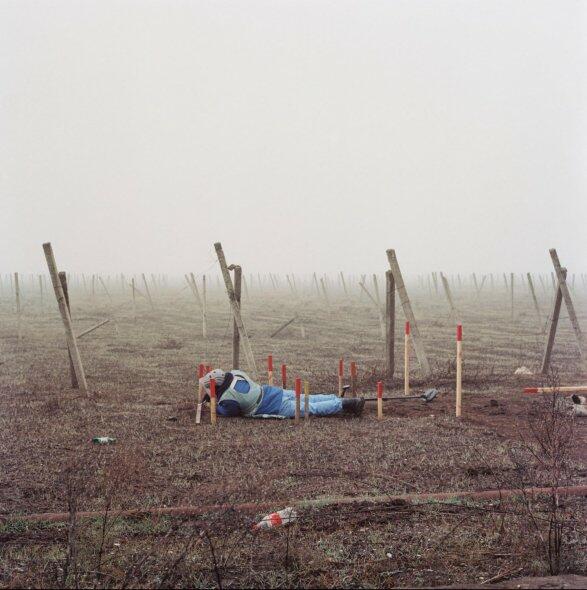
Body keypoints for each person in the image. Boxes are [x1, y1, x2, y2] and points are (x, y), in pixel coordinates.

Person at [198, 369, 364, 418]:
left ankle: (344, 404)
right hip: (273, 392)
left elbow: (228, 412)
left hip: (275, 406)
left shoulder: (227, 399)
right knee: (308, 397)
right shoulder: (236, 373)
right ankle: (336, 398)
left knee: (310, 408)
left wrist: (210, 402)